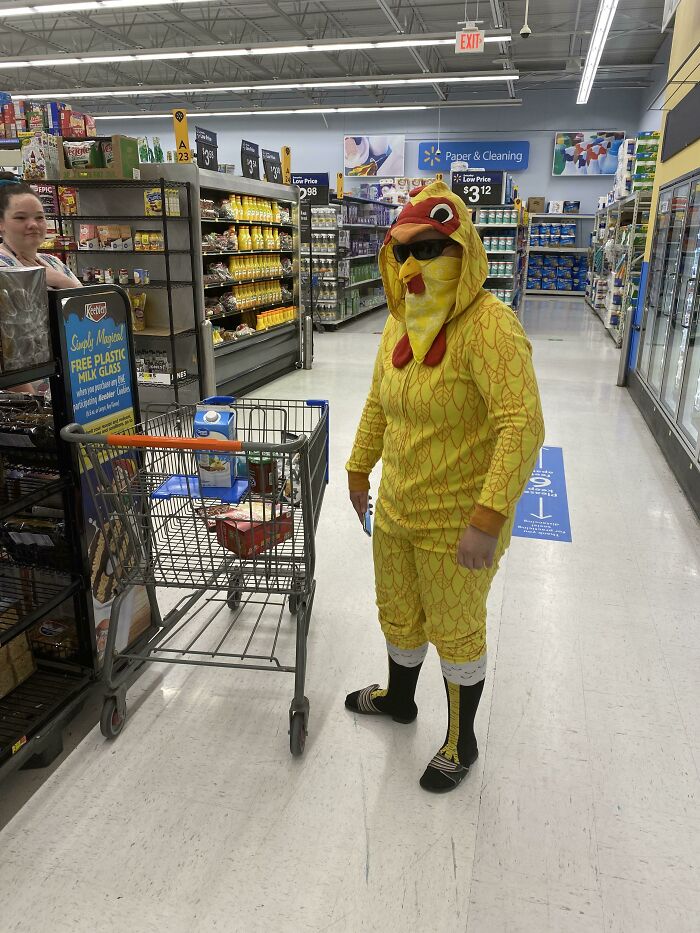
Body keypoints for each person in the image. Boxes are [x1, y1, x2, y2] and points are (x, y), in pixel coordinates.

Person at [345, 180, 545, 793]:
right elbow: (380, 401)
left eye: (431, 249)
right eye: (402, 251)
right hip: (398, 508)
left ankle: (462, 738)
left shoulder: (491, 326)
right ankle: (399, 699)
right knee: (399, 611)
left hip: (459, 520)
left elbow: (522, 424)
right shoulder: (398, 323)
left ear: (464, 250)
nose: (413, 265)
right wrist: (358, 467)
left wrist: (488, 519)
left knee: (456, 628)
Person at [0, 173, 81, 287]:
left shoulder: (53, 262)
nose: (33, 224)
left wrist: (61, 280)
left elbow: (88, 303)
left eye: (39, 217)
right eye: (21, 217)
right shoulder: (3, 267)